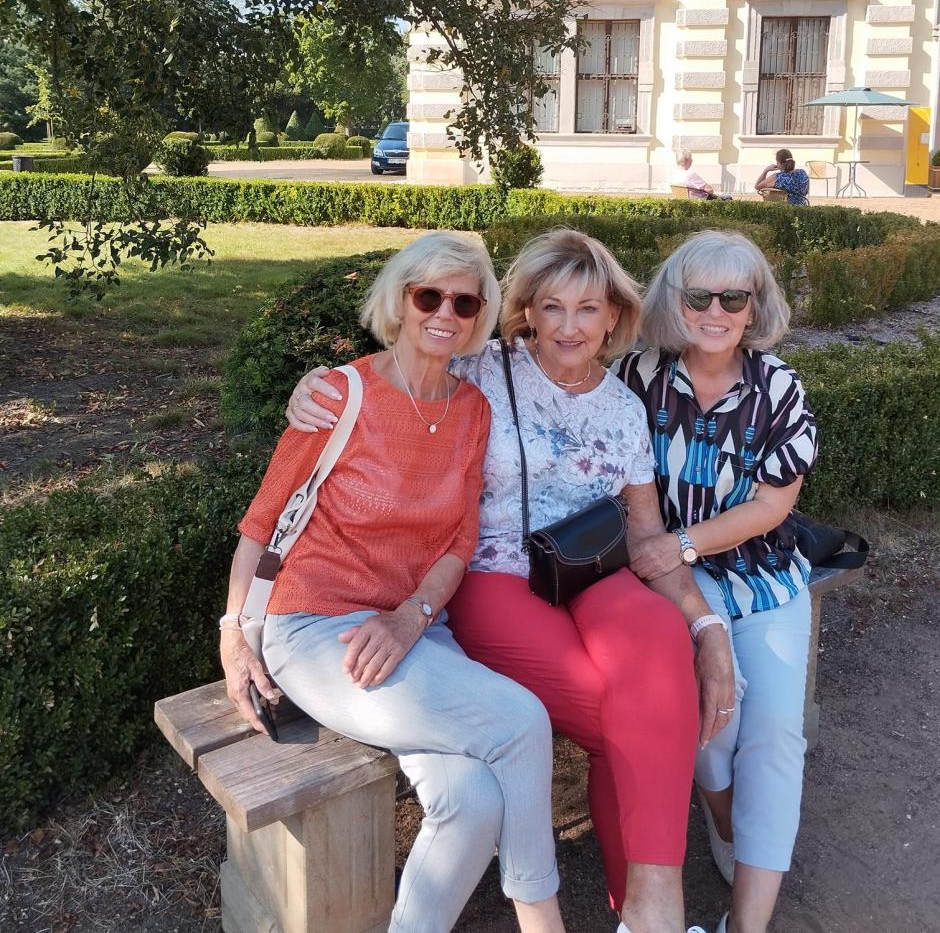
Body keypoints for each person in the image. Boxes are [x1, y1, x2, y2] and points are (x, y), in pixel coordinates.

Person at [288, 228, 734, 933]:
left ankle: (654, 908)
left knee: (658, 638)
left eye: (587, 309)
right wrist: (317, 384)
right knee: (633, 720)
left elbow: (648, 538)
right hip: (494, 574)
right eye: (552, 307)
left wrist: (707, 629)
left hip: (590, 570)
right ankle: (649, 914)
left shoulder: (623, 409)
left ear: (614, 317)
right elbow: (399, 366)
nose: (568, 327)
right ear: (527, 311)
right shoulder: (484, 367)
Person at [219, 232, 568, 933]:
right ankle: (543, 922)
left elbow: (459, 541)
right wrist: (233, 635)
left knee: (472, 800)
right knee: (523, 721)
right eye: (428, 295)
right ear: (400, 301)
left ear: (479, 314)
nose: (445, 313)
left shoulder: (472, 411)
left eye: (464, 302)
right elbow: (261, 524)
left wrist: (411, 616)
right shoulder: (339, 394)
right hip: (315, 629)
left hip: (413, 629)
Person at [617, 230, 819, 933]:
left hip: (764, 577)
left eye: (734, 297)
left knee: (777, 733)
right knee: (711, 726)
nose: (715, 311)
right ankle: (729, 817)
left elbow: (772, 506)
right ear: (674, 300)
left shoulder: (778, 388)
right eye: (698, 295)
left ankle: (747, 924)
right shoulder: (637, 377)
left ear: (754, 305)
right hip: (674, 586)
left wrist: (679, 542)